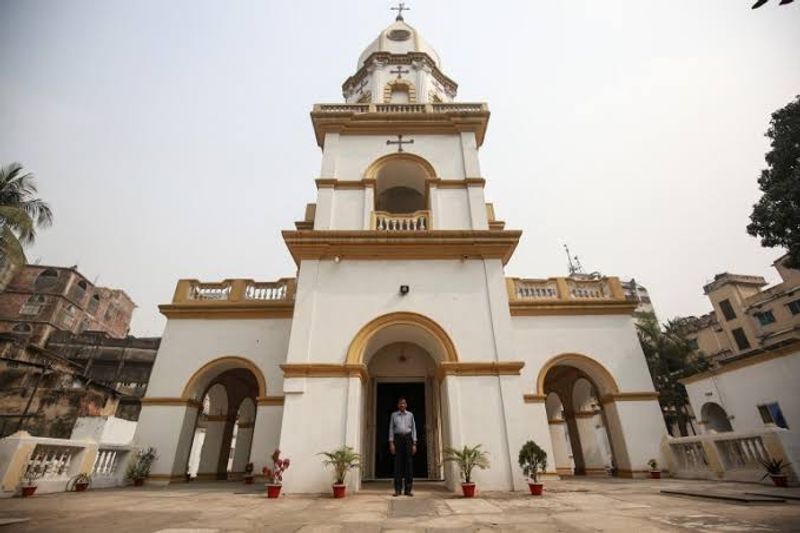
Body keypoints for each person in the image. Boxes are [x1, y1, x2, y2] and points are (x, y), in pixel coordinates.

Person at [388, 396, 417, 496]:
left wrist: (414, 444)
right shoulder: (394, 415)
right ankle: (397, 490)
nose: (402, 405)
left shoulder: (410, 415)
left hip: (408, 439)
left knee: (408, 464)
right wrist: (391, 443)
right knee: (398, 464)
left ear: (406, 405)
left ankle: (408, 490)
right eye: (400, 403)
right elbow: (391, 429)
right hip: (398, 439)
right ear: (398, 405)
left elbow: (414, 429)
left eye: (404, 403)